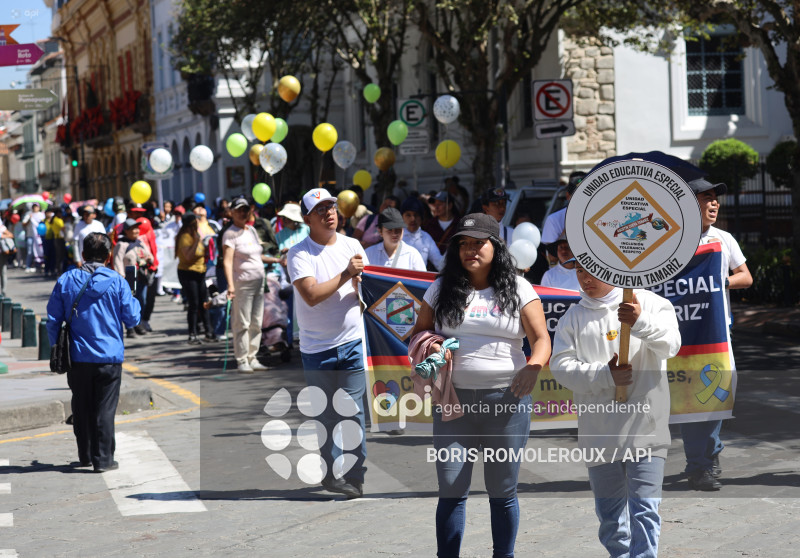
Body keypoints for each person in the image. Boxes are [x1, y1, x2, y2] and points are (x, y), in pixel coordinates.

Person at [408, 213, 551, 558]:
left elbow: (542, 339)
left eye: (478, 243)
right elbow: (417, 332)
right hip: (453, 403)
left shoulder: (519, 287)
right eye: (463, 244)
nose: (470, 250)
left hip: (507, 402)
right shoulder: (441, 287)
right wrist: (433, 345)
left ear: (495, 246)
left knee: (502, 490)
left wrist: (533, 366)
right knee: (452, 488)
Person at [550, 262, 681, 558]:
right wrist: (604, 376)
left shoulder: (651, 303)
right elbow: (561, 367)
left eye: (592, 270)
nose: (585, 278)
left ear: (612, 269)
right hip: (599, 435)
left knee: (645, 511)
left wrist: (640, 322)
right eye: (580, 271)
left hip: (646, 430)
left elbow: (672, 345)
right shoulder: (573, 318)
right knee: (611, 519)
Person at [286, 187, 370, 499]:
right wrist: (348, 273)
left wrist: (362, 286)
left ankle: (355, 474)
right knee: (326, 414)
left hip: (351, 342)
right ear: (307, 218)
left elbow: (370, 291)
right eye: (320, 210)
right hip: (317, 349)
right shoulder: (298, 254)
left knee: (352, 410)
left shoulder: (353, 245)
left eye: (331, 207)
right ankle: (332, 473)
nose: (329, 213)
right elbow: (310, 296)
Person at [46, 232, 141, 473]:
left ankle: (85, 455)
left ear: (83, 255)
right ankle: (103, 459)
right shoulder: (118, 281)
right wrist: (134, 297)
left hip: (77, 356)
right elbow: (132, 318)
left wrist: (56, 348)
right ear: (109, 257)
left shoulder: (66, 280)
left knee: (81, 405)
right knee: (104, 409)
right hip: (109, 357)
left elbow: (53, 320)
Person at [681, 178, 753, 491]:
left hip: (715, 329)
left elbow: (746, 277)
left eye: (716, 199)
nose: (714, 204)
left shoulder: (723, 239)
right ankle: (702, 460)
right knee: (685, 398)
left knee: (712, 396)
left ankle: (705, 460)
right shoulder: (670, 241)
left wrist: (718, 281)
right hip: (678, 331)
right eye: (706, 198)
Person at [222, 197, 270, 373]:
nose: (243, 213)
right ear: (232, 212)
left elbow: (257, 256)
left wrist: (277, 259)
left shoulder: (251, 230)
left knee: (256, 322)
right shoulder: (230, 234)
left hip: (258, 281)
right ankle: (242, 359)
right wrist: (230, 285)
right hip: (242, 283)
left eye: (245, 210)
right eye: (239, 210)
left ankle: (253, 357)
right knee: (242, 322)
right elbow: (227, 262)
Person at [174, 213, 215, 344]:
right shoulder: (185, 237)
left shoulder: (196, 236)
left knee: (204, 302)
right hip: (188, 273)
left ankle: (209, 331)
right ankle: (192, 333)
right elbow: (188, 257)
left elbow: (202, 253)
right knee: (194, 304)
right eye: (195, 222)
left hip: (200, 272)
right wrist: (197, 241)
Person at [112, 219, 154, 339]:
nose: (136, 231)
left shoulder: (140, 242)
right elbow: (117, 261)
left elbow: (149, 255)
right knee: (128, 303)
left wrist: (147, 259)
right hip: (128, 276)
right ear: (126, 231)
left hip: (141, 276)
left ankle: (137, 323)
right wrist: (121, 276)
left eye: (137, 228)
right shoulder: (121, 244)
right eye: (133, 229)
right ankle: (130, 328)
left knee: (142, 301)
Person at [541, 170, 586, 264]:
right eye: (577, 195)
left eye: (585, 194)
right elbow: (552, 259)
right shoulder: (554, 220)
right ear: (568, 196)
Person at [401, 197, 444, 272]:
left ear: (421, 218)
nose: (412, 219)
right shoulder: (396, 236)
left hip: (418, 282)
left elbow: (439, 263)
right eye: (408, 215)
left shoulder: (426, 238)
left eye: (416, 215)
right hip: (397, 281)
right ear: (402, 217)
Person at [423, 191, 460, 255]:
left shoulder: (461, 224)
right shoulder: (429, 225)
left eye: (440, 204)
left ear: (450, 205)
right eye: (435, 204)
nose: (436, 207)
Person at [22, 203, 45, 272]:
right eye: (34, 207)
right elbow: (24, 224)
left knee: (41, 251)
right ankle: (28, 266)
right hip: (30, 236)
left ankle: (40, 265)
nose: (35, 208)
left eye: (36, 207)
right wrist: (29, 218)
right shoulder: (28, 214)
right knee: (30, 252)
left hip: (39, 237)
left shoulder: (41, 215)